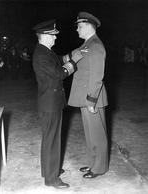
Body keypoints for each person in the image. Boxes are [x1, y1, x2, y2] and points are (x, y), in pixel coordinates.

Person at [32, 19, 83, 189]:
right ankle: (51, 179)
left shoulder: (45, 51)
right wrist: (74, 62)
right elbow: (59, 73)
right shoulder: (41, 54)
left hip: (51, 102)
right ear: (45, 36)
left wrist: (72, 53)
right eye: (53, 36)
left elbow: (59, 60)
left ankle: (50, 170)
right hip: (50, 104)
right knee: (52, 140)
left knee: (50, 139)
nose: (55, 39)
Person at [64, 12, 109, 178]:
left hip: (93, 98)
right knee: (90, 134)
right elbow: (68, 58)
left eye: (79, 26)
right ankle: (92, 163)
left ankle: (99, 167)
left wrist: (91, 101)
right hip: (85, 97)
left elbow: (97, 76)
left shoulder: (96, 46)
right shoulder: (87, 44)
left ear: (89, 26)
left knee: (97, 134)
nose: (77, 29)